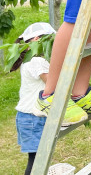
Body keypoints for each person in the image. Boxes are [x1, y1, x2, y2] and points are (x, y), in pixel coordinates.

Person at [12, 22, 55, 175]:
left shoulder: (29, 60)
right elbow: (53, 83)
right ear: (37, 40)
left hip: (29, 117)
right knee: (37, 161)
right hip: (32, 118)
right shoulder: (37, 61)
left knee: (38, 158)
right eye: (51, 40)